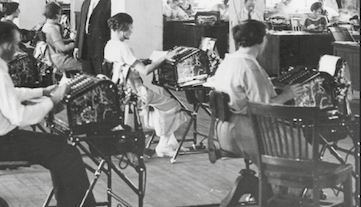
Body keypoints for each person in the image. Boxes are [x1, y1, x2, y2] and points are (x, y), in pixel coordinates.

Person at [0, 21, 95, 207]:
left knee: (61, 147)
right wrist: (52, 101)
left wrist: (42, 92)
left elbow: (9, 94)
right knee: (67, 151)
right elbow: (20, 117)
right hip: (1, 144)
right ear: (8, 44)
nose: (17, 48)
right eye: (16, 43)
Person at [206, 20, 303, 166]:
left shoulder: (228, 60)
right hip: (245, 132)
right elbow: (264, 108)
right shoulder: (250, 66)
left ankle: (278, 184)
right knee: (300, 144)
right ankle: (283, 185)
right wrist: (287, 94)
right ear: (261, 40)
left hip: (223, 131)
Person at [104, 13, 188, 157]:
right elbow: (145, 71)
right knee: (173, 105)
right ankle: (163, 145)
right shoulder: (124, 47)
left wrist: (145, 60)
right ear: (123, 28)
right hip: (135, 92)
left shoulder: (109, 44)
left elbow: (125, 65)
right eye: (130, 28)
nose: (132, 31)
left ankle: (170, 143)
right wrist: (165, 57)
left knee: (161, 105)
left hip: (120, 90)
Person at [74, 0, 111, 76]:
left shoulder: (110, 2)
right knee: (87, 78)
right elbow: (81, 26)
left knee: (100, 78)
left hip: (100, 48)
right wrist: (77, 46)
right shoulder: (86, 3)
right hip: (85, 48)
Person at [41, 2, 82, 74]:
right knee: (84, 66)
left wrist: (70, 40)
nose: (60, 16)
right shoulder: (52, 29)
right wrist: (76, 43)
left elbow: (56, 42)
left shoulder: (46, 26)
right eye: (60, 14)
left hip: (50, 57)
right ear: (56, 15)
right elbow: (63, 48)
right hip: (58, 59)